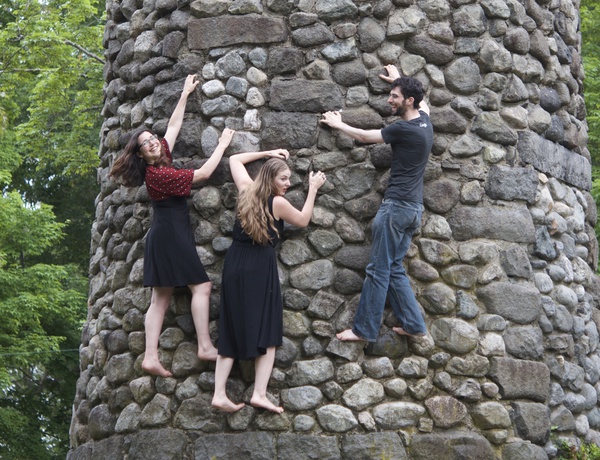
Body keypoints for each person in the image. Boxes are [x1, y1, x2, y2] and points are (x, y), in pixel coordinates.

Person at [109, 74, 234, 377]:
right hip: (170, 236)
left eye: (153, 139)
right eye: (146, 144)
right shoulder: (159, 175)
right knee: (201, 286)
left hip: (165, 234)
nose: (153, 144)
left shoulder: (162, 158)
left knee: (161, 297)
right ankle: (204, 346)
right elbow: (203, 174)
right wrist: (223, 144)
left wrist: (185, 94)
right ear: (140, 155)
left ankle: (151, 356)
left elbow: (174, 127)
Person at [319, 65, 433, 343]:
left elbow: (364, 136)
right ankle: (414, 324)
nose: (389, 100)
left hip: (395, 209)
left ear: (408, 101)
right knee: (393, 267)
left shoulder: (403, 129)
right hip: (413, 210)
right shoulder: (425, 121)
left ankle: (364, 329)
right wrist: (398, 79)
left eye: (394, 96)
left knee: (378, 270)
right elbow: (425, 104)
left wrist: (337, 124)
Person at [211, 150, 327, 413]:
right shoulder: (277, 203)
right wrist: (313, 189)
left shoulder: (246, 189)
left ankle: (219, 393)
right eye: (284, 179)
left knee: (230, 324)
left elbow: (234, 160)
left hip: (234, 262)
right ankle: (259, 394)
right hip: (258, 266)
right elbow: (303, 220)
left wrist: (267, 153)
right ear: (271, 179)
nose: (288, 184)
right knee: (268, 326)